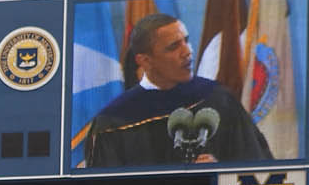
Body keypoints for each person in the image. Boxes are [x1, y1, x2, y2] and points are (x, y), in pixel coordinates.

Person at [84, 12, 271, 168]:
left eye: (186, 41)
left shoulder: (217, 99)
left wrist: (219, 171)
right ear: (145, 61)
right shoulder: (114, 122)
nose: (187, 52)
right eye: (174, 47)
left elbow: (256, 165)